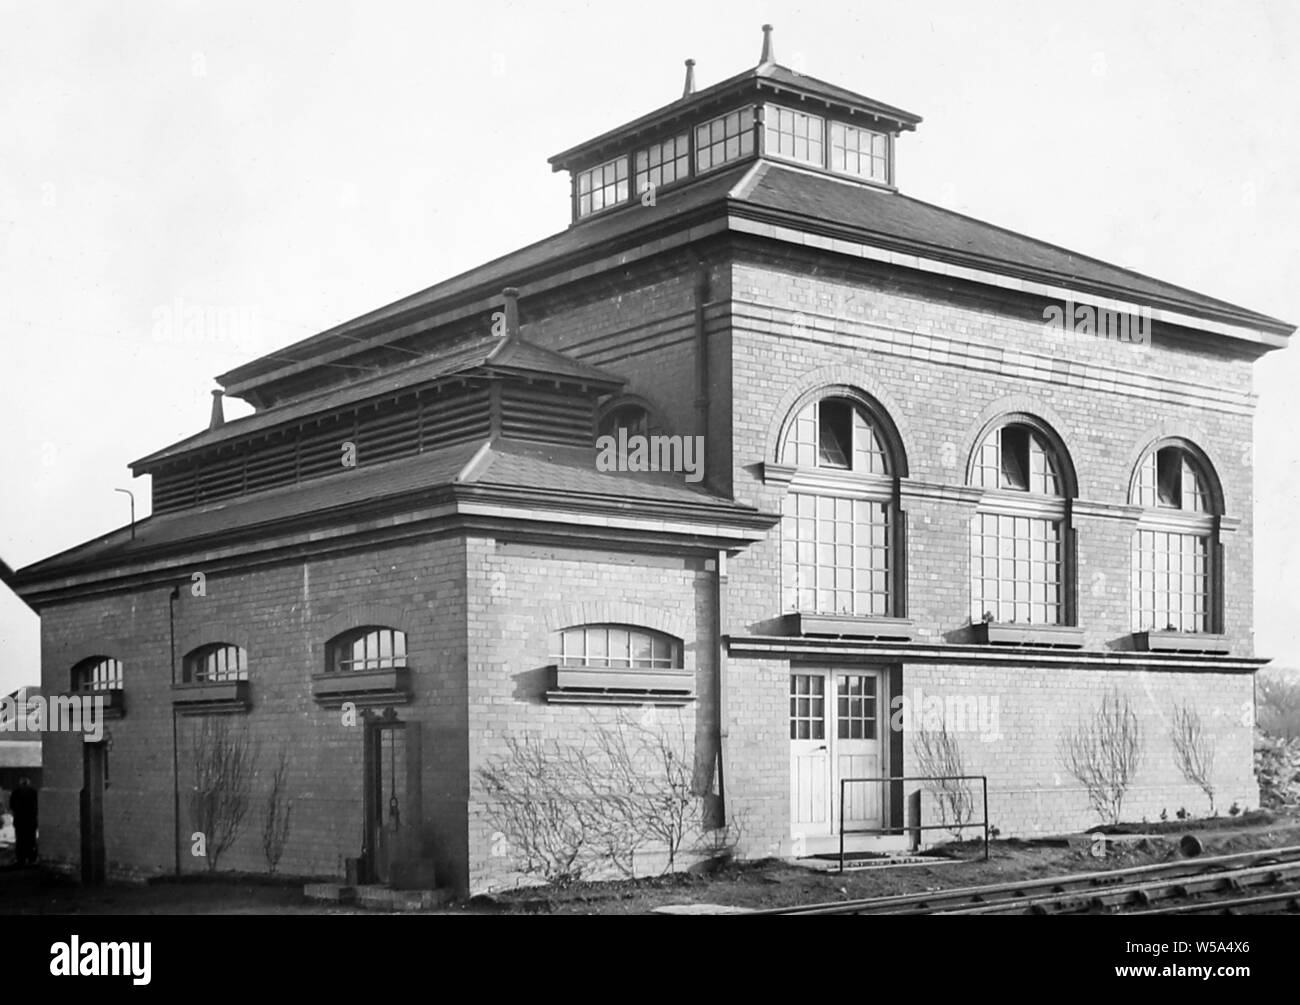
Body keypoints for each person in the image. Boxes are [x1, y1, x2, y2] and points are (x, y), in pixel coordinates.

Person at [10, 776, 37, 866]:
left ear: (20, 783)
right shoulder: (33, 792)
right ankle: (31, 859)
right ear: (28, 783)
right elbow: (37, 806)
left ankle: (21, 859)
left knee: (20, 840)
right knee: (31, 840)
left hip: (20, 820)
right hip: (31, 820)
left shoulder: (16, 792)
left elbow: (12, 806)